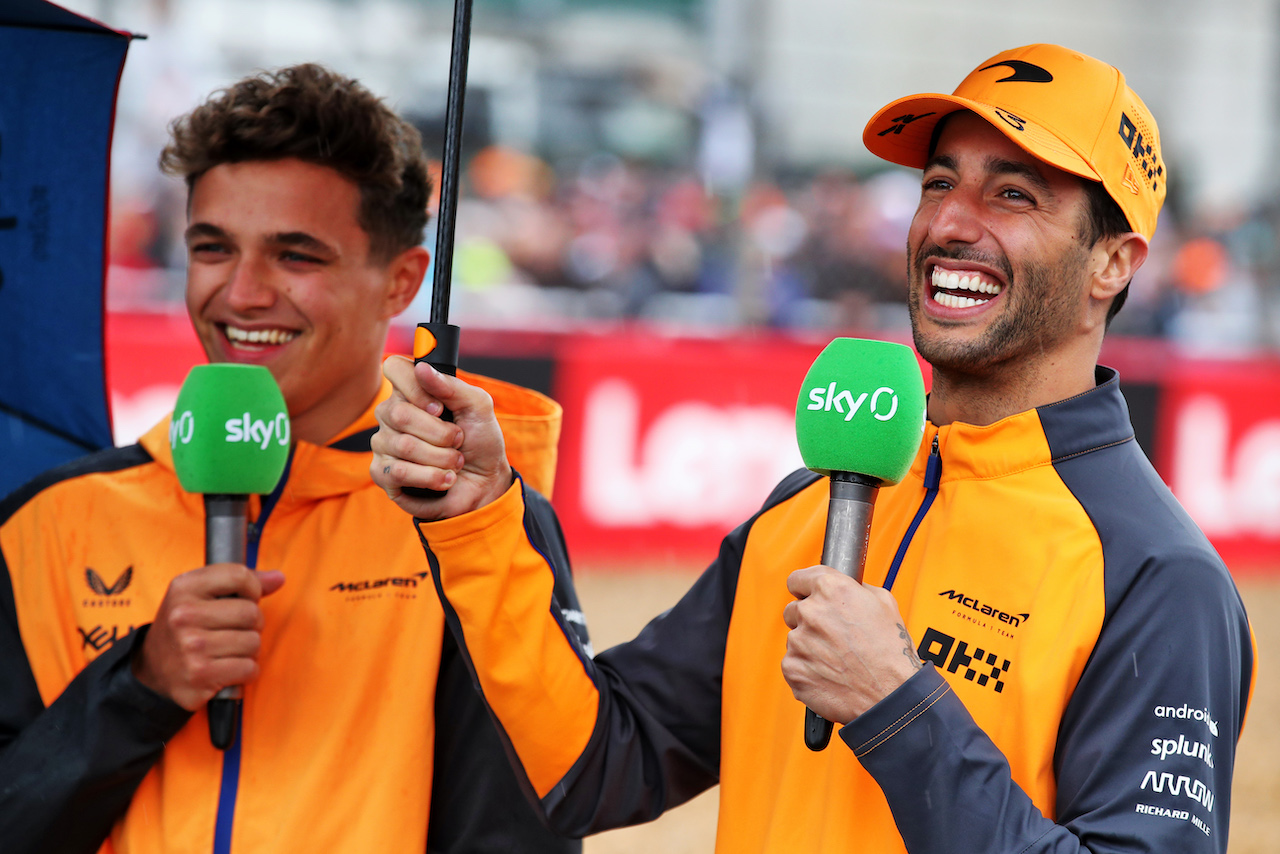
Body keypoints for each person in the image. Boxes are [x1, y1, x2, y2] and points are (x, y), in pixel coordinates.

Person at [370, 43, 1256, 853]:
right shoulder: (809, 506)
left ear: (1113, 262)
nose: (951, 223)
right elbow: (596, 766)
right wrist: (480, 518)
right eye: (938, 183)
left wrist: (898, 708)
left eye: (1013, 194)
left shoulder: (1159, 578)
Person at [0, 63, 585, 854]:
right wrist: (139, 689)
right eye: (213, 248)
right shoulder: (47, 523)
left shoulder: (471, 527)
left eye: (296, 256)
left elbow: (519, 834)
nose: (242, 293)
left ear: (400, 281)